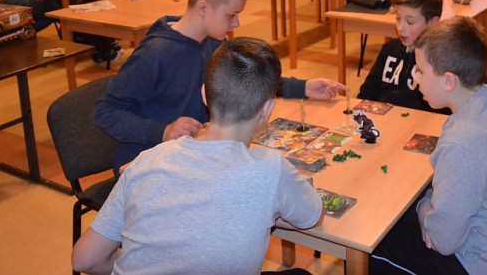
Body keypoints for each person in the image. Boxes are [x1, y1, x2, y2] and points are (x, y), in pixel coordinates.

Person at [73, 37, 323, 275]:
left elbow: (85, 259)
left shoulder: (144, 161)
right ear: (268, 109)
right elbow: (312, 216)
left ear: (204, 94)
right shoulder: (272, 170)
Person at [94, 0, 347, 172]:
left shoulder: (212, 41)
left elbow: (247, 78)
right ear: (203, 7)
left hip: (194, 153)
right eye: (231, 15)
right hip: (147, 167)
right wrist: (162, 131)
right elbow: (105, 111)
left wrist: (304, 87)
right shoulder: (155, 53)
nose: (236, 23)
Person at [370, 16, 487, 275]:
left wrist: (423, 207)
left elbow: (443, 242)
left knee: (377, 240)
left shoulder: (462, 144)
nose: (414, 76)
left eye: (420, 70)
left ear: (448, 81)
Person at [357, 0, 448, 113]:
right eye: (398, 19)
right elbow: (367, 92)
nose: (400, 28)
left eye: (410, 22)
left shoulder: (441, 60)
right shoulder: (390, 49)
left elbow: (442, 112)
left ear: (433, 23)